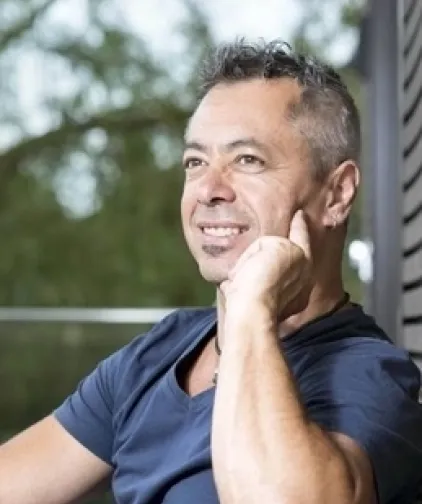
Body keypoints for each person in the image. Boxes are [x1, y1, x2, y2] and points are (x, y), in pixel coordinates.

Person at [1, 39, 422, 504]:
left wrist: (251, 305)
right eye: (196, 162)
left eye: (247, 160)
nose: (208, 189)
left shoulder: (369, 375)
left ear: (337, 194)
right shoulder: (159, 353)